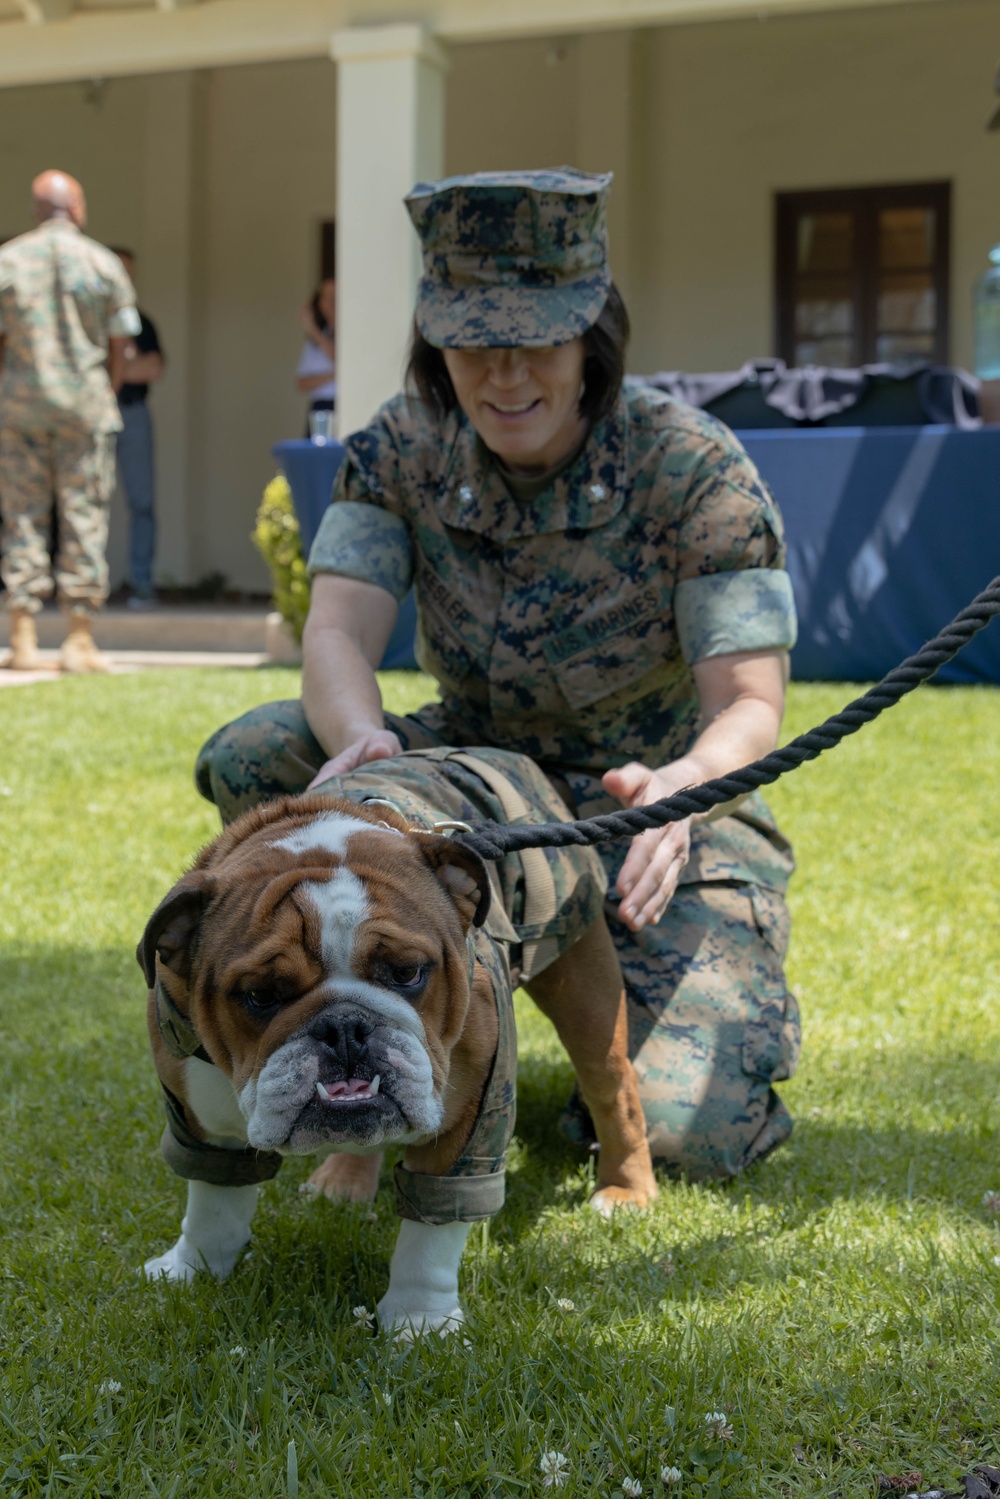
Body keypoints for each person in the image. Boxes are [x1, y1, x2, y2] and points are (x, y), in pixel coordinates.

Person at [196, 169, 802, 1181]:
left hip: (644, 808)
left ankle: (497, 992)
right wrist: (359, 746)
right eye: (472, 344)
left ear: (592, 339)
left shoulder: (692, 467)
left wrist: (681, 795)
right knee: (262, 752)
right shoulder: (399, 446)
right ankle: (341, 1000)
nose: (503, 376)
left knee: (692, 1133)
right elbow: (338, 633)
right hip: (466, 782)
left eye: (537, 342)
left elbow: (747, 701)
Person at [0, 170, 140, 672]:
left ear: (37, 209)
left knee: (22, 516)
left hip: (19, 406)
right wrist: (109, 389)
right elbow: (122, 342)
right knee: (83, 515)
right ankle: (79, 638)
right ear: (76, 208)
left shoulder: (8, 260)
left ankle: (22, 635)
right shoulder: (102, 261)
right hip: (84, 404)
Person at [110, 248, 165, 610]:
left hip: (132, 414)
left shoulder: (142, 323)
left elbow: (154, 369)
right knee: (78, 503)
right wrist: (126, 366)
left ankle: (141, 584)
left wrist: (112, 370)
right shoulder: (84, 321)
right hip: (89, 417)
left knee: (142, 502)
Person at [296, 278, 337, 433]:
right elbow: (302, 383)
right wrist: (333, 376)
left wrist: (312, 329)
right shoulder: (314, 341)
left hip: (344, 405)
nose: (332, 302)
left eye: (336, 296)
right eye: (327, 297)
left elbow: (340, 360)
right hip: (320, 408)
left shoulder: (351, 331)